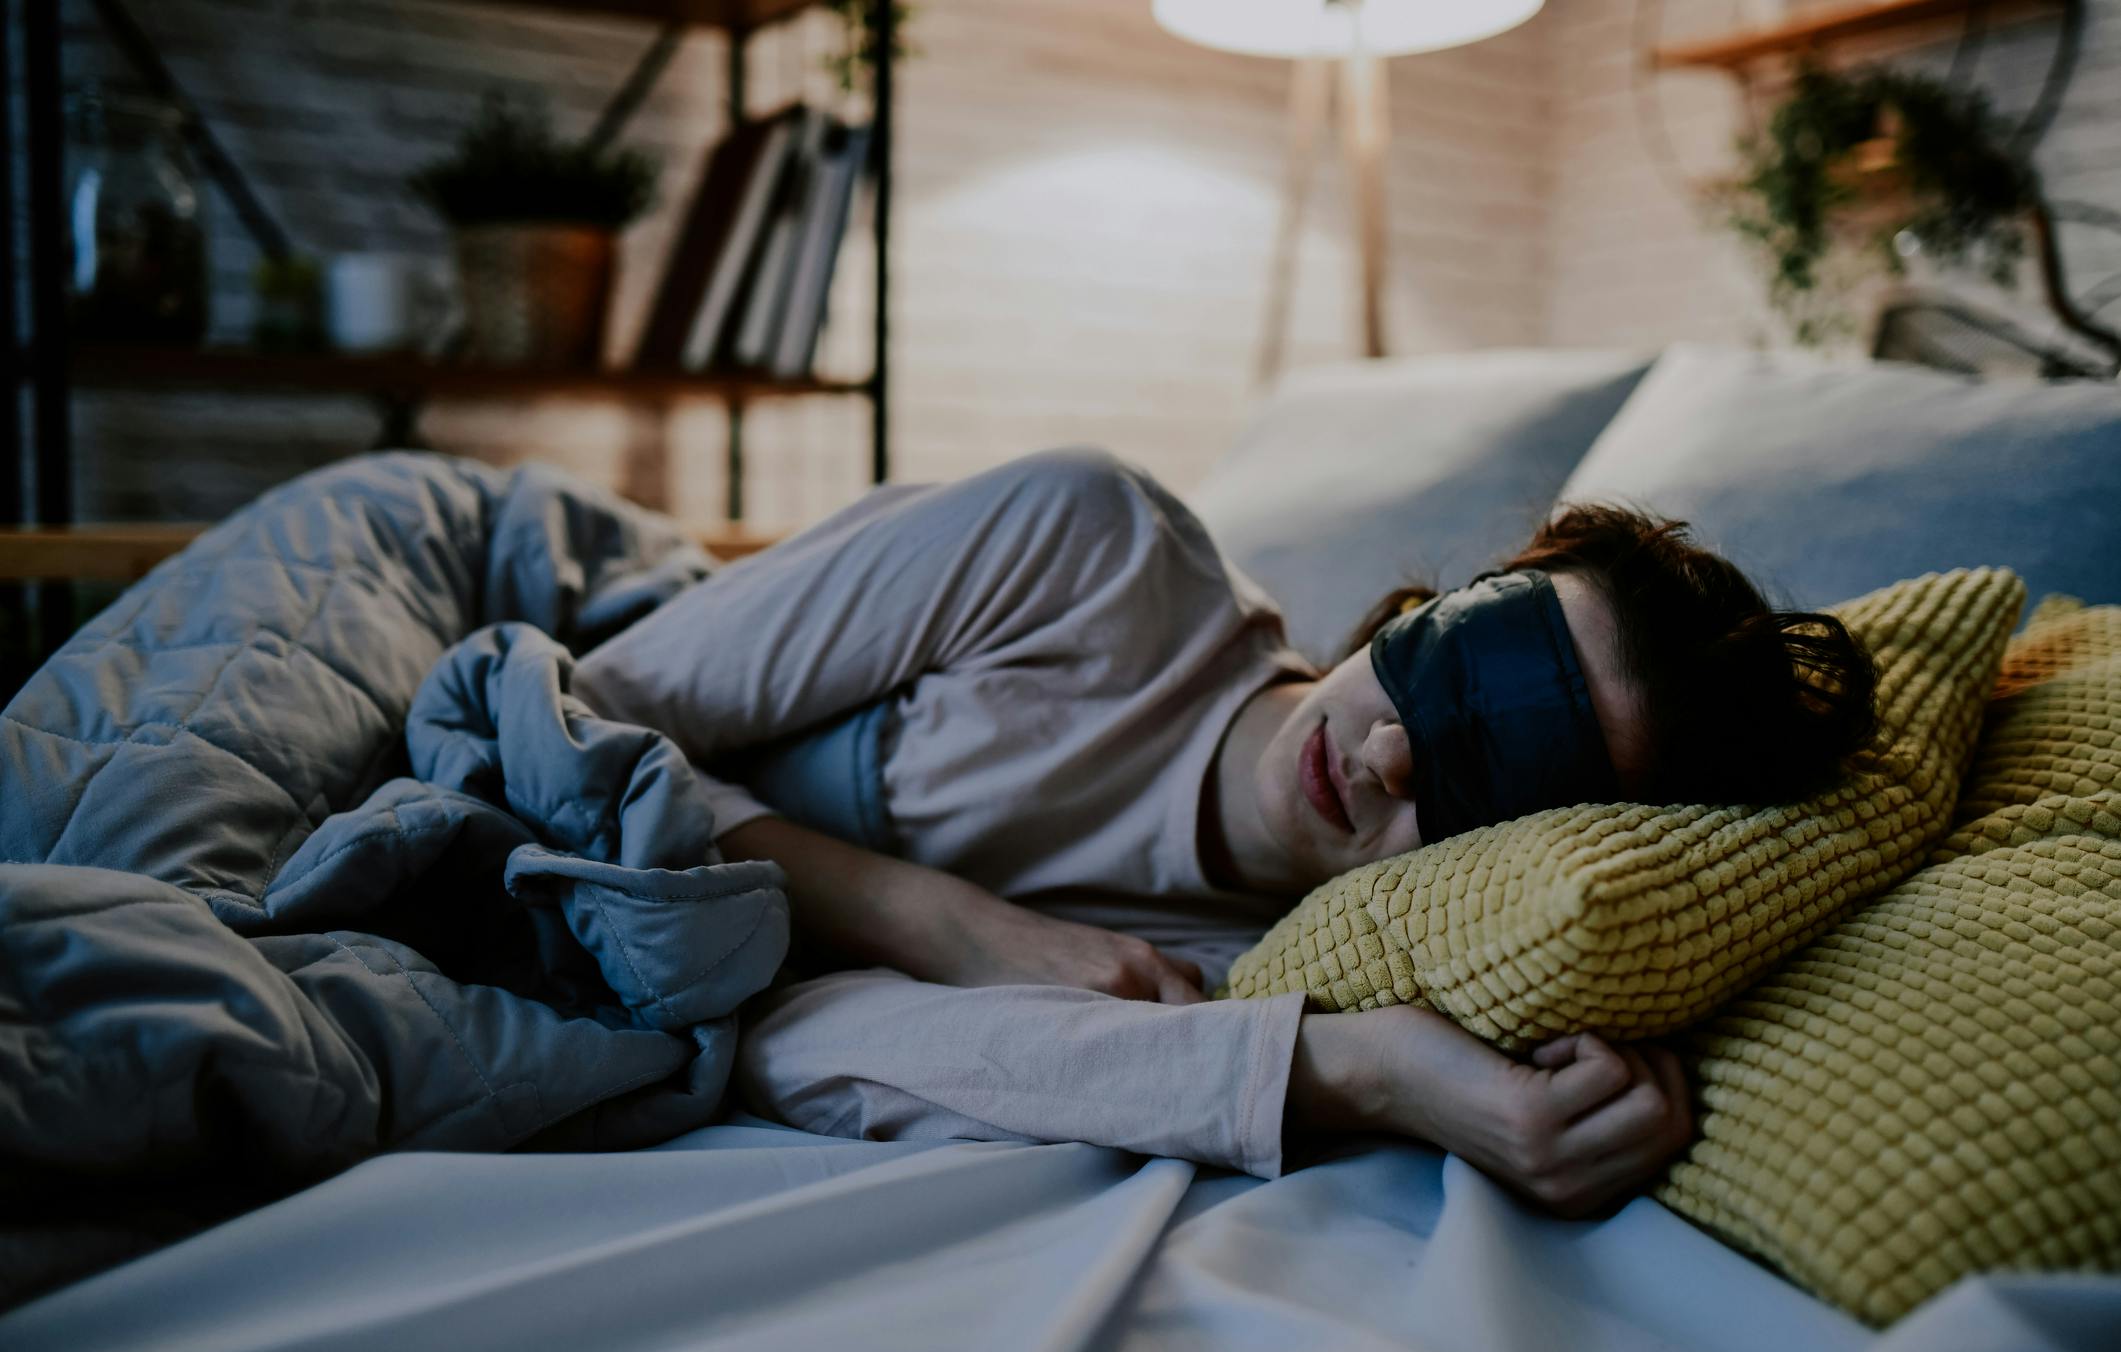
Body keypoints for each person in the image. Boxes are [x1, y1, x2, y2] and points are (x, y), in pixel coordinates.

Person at [572, 445, 1876, 1217]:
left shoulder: (1278, 969)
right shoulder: (1090, 547)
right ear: (1462, 592)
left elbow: (797, 1049)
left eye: (1486, 784)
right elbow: (590, 709)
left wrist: (1372, 1069)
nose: (1382, 754)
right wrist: (951, 923)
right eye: (1456, 667)